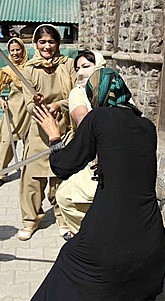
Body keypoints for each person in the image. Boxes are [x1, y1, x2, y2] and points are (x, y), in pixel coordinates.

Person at [23, 68, 165, 301]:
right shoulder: (147, 126)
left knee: (72, 261)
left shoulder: (98, 118)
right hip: (151, 240)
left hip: (112, 240)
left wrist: (54, 135)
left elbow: (63, 165)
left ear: (96, 96)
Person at [17, 24, 76, 241]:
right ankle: (30, 220)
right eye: (42, 42)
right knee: (32, 179)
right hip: (38, 132)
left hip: (64, 129)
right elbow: (29, 105)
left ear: (58, 43)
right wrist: (38, 103)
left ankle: (63, 219)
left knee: (61, 177)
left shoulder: (68, 65)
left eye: (51, 41)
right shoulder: (28, 69)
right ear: (36, 44)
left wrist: (59, 104)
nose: (47, 46)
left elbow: (76, 95)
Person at [55, 50, 106, 239]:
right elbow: (84, 121)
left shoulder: (114, 88)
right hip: (92, 157)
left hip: (118, 158)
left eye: (86, 66)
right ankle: (84, 235)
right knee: (66, 196)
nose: (81, 73)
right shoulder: (78, 92)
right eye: (77, 68)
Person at [0, 37, 30, 189]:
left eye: (17, 49)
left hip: (29, 111)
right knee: (6, 143)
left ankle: (29, 172)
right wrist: (0, 100)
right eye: (12, 50)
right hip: (12, 112)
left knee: (30, 143)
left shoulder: (31, 67)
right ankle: (0, 173)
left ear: (23, 50)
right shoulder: (7, 70)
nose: (15, 53)